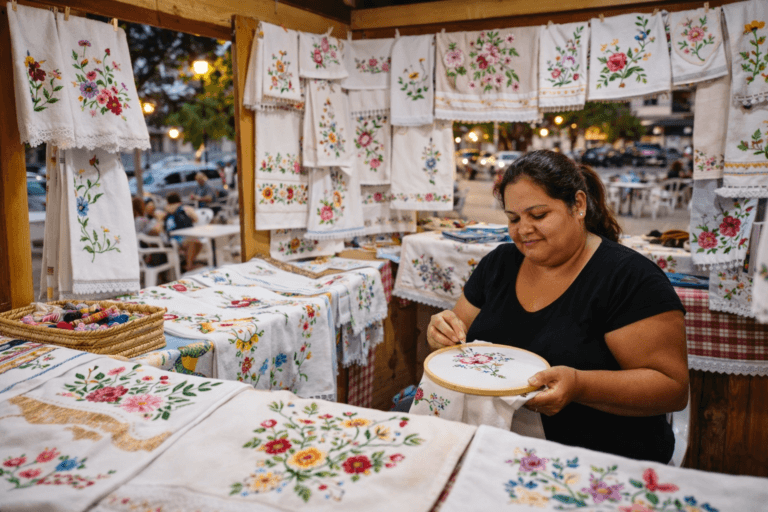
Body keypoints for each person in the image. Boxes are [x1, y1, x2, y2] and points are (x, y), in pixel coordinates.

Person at [426, 150, 688, 463]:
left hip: (599, 457)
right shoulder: (499, 265)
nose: (523, 229)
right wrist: (441, 334)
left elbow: (671, 389)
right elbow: (456, 341)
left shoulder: (629, 279)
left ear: (578, 205)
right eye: (513, 219)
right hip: (500, 444)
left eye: (538, 215)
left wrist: (579, 385)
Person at [164, 192, 202, 271]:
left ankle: (187, 263)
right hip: (181, 238)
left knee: (194, 242)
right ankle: (189, 265)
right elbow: (196, 219)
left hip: (170, 239)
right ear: (179, 200)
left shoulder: (166, 210)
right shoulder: (185, 209)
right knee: (196, 242)